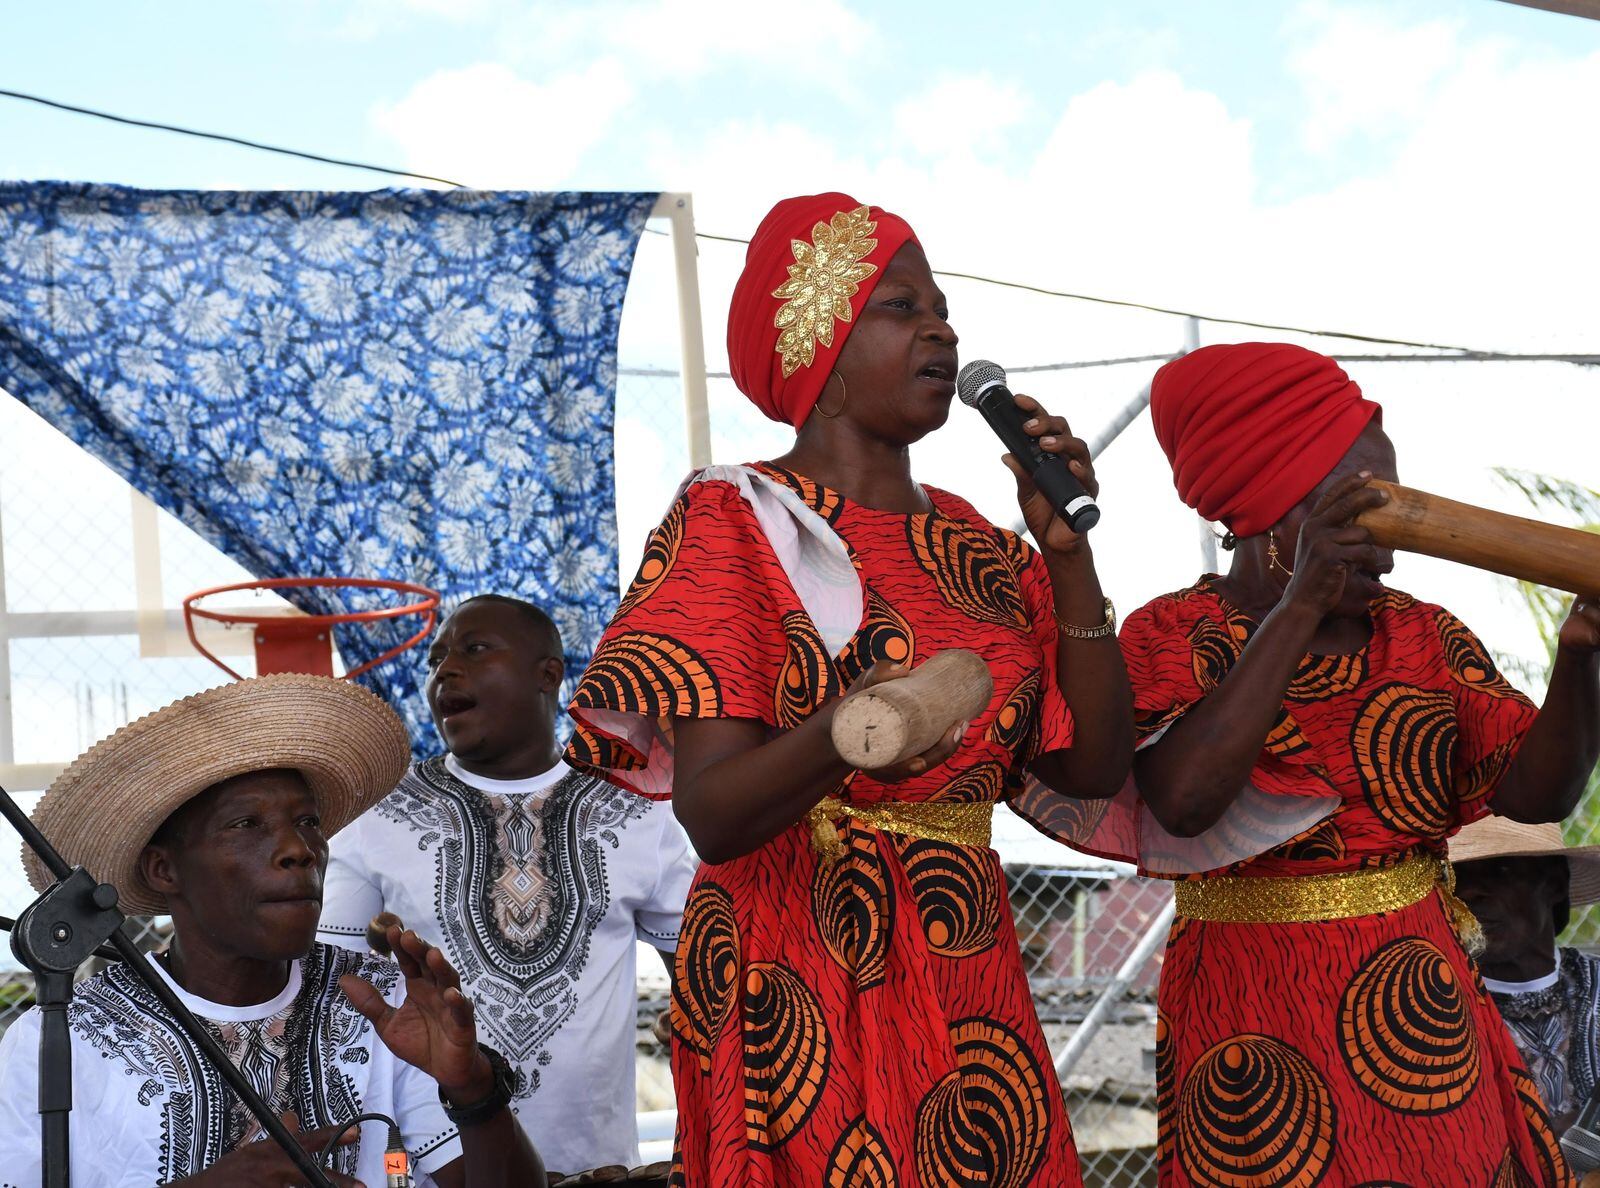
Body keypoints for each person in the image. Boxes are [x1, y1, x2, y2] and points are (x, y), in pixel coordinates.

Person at [564, 193, 1134, 1186]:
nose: (942, 329)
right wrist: (852, 728)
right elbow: (712, 816)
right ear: (817, 335)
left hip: (968, 967)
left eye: (943, 308)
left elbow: (1089, 769)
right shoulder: (733, 520)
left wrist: (1068, 559)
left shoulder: (986, 550)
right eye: (901, 307)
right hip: (797, 970)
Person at [1063, 341, 1600, 1185]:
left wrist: (1579, 655)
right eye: (1362, 513)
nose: (1388, 544)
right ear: (1270, 505)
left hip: (1422, 1011)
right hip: (1251, 1018)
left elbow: (1537, 793)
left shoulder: (1421, 634)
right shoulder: (1175, 635)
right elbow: (1184, 803)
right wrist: (1302, 599)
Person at [0, 672, 545, 1187]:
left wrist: (474, 1089)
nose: (299, 851)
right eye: (246, 825)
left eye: (307, 823)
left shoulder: (382, 1001)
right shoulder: (60, 1043)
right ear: (163, 870)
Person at [318, 594, 698, 1178]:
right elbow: (328, 987)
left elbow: (707, 980)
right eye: (437, 658)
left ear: (549, 673)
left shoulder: (635, 809)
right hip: (442, 1174)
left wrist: (693, 1144)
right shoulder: (379, 817)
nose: (445, 669)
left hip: (601, 1172)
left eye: (474, 649)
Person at [1452, 816, 1600, 1136]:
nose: (1470, 890)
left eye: (1500, 870)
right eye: (1455, 876)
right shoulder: (1432, 1009)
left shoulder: (1596, 983)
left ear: (1556, 883)